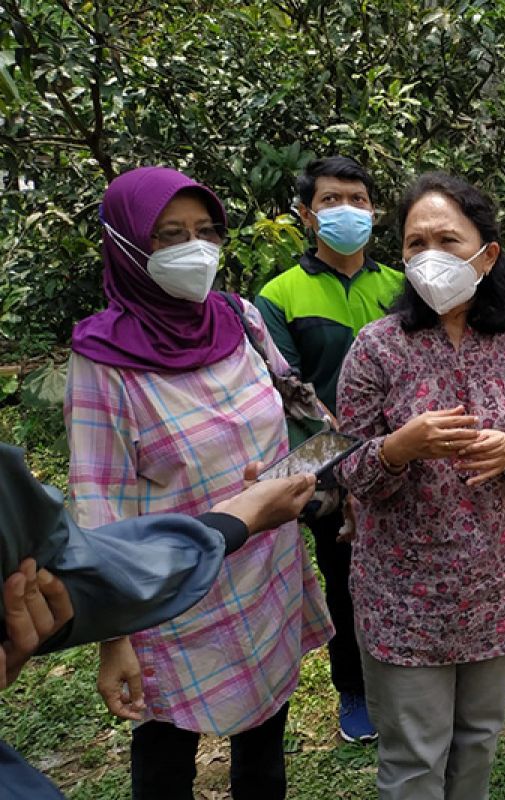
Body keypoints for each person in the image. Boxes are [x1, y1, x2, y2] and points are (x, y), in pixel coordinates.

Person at [65, 166, 334, 800]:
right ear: (127, 244)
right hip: (170, 597)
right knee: (165, 763)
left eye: (206, 231)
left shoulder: (237, 318)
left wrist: (315, 476)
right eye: (169, 235)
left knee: (264, 755)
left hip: (265, 575)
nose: (195, 248)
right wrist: (114, 638)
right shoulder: (104, 360)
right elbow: (98, 505)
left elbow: (302, 411)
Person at [336, 172, 505, 800]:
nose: (430, 256)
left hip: (497, 586)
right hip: (402, 597)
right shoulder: (377, 348)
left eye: (447, 240)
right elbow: (347, 469)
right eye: (415, 244)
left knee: (477, 740)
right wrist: (395, 449)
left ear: (486, 256)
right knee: (413, 757)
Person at [0, 444, 319, 799]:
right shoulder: (110, 386)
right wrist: (231, 522)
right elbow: (71, 547)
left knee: (264, 747)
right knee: (164, 754)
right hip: (169, 620)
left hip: (254, 598)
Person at [255, 155, 404, 743]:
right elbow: (289, 393)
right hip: (324, 467)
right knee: (343, 579)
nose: (347, 211)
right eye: (331, 201)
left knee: (400, 573)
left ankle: (402, 680)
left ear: (374, 212)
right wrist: (343, 466)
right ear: (305, 215)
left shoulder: (400, 285)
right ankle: (355, 690)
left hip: (399, 456)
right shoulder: (279, 295)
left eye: (358, 201)